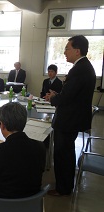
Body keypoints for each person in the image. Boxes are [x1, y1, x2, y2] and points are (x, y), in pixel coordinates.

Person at [45, 35, 96, 196]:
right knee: (65, 152)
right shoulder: (83, 66)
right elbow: (72, 93)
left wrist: (53, 98)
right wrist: (59, 94)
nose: (65, 52)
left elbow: (67, 98)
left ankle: (64, 188)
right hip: (72, 118)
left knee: (63, 154)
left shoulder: (79, 69)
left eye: (67, 48)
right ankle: (64, 185)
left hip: (69, 120)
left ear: (77, 50)